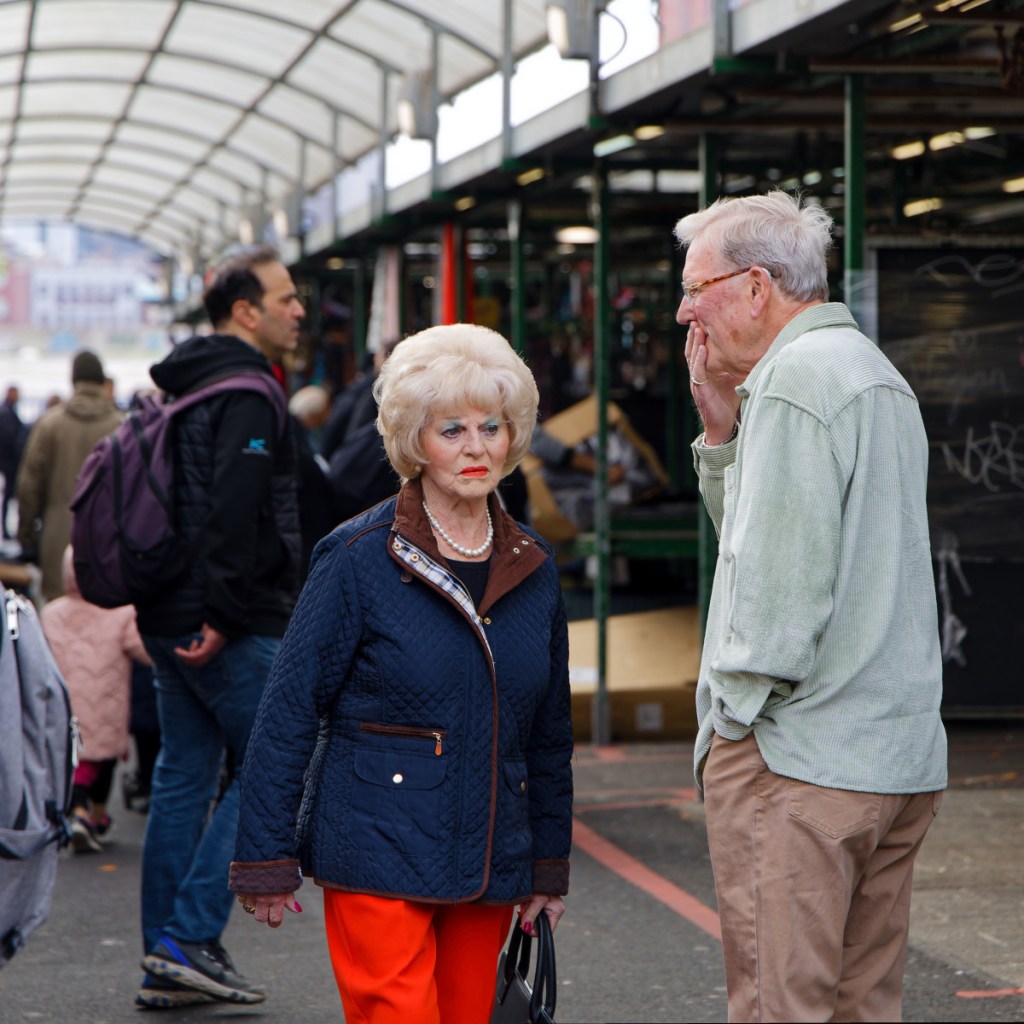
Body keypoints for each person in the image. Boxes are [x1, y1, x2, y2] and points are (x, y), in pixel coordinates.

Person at [228, 323, 574, 1024]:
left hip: (490, 854)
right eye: (451, 429)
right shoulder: (357, 556)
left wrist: (548, 864)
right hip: (375, 844)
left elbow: (550, 734)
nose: (476, 448)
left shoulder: (532, 566)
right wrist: (264, 855)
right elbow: (290, 706)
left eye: (491, 427)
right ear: (414, 439)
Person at [675, 190, 947, 1022]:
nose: (685, 309)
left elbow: (776, 595)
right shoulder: (871, 372)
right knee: (864, 1005)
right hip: (893, 757)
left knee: (779, 1005)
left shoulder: (793, 383)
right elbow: (780, 540)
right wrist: (722, 436)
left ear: (757, 287)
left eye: (698, 286)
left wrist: (733, 723)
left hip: (800, 764)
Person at [133, 245, 304, 1010]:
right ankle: (190, 936)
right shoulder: (248, 392)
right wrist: (228, 615)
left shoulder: (183, 384)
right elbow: (235, 510)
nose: (299, 310)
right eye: (287, 298)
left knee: (184, 777)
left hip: (167, 612)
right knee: (278, 765)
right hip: (222, 621)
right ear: (246, 312)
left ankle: (166, 953)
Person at [39, 546, 151, 853]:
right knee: (103, 761)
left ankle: (85, 814)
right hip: (107, 706)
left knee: (76, 759)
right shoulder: (120, 612)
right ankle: (86, 813)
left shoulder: (51, 613)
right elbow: (143, 650)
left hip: (64, 704)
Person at [15, 351, 122, 600]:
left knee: (58, 616)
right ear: (100, 380)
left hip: (57, 537)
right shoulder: (120, 427)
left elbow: (29, 487)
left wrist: (27, 537)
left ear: (73, 379)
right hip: (106, 540)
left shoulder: (50, 425)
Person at [0, 384, 28, 540]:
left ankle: (6, 529)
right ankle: (5, 529)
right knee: (10, 496)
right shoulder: (6, 413)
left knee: (9, 497)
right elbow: (10, 438)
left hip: (8, 462)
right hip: (9, 463)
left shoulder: (8, 411)